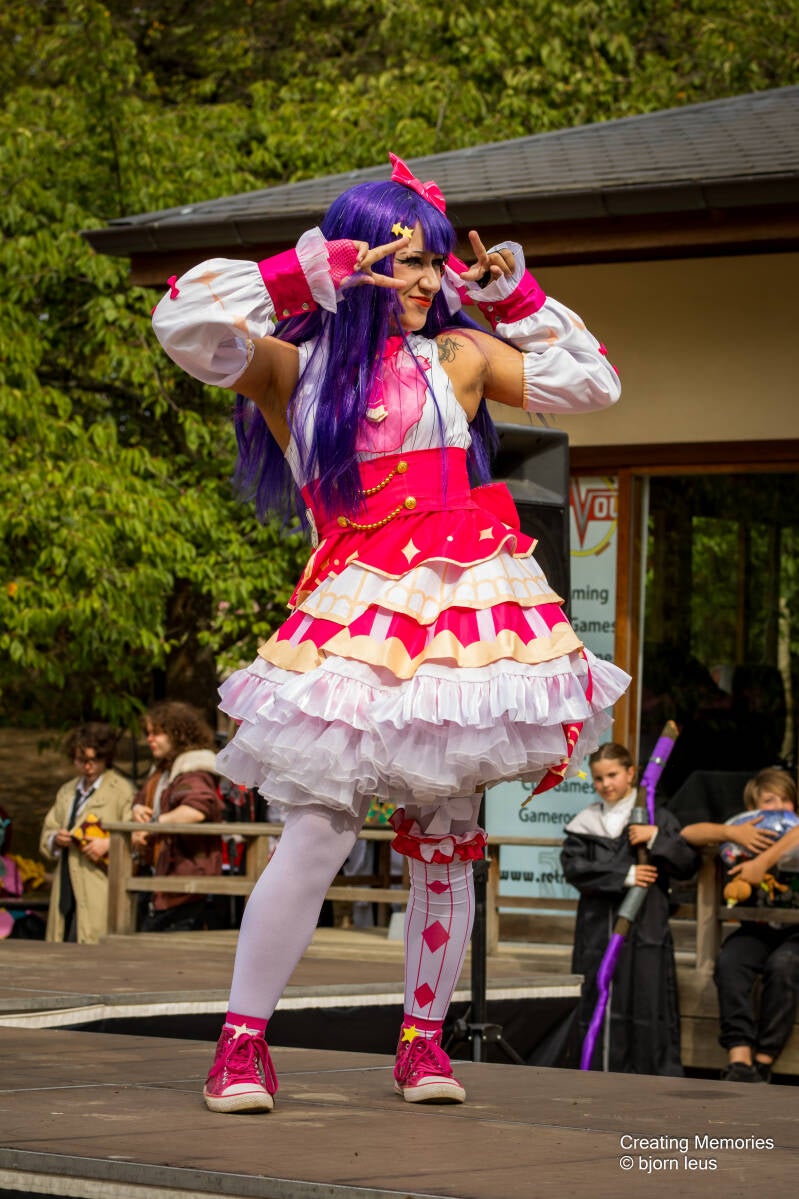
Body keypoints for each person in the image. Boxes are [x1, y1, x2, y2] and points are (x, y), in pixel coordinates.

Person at [152, 152, 630, 1113]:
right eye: (406, 259)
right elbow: (182, 323)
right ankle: (241, 1045)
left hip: (460, 612)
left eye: (433, 261)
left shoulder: (460, 355)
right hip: (354, 618)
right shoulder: (292, 365)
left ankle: (422, 1043)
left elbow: (594, 385)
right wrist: (305, 272)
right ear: (357, 257)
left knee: (448, 833)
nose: (424, 279)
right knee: (318, 830)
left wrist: (513, 296)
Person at [560, 741, 700, 1075]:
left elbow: (687, 863)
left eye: (613, 775)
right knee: (599, 997)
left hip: (646, 927)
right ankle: (597, 1072)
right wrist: (626, 875)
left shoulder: (656, 817)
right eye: (598, 778)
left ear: (631, 773)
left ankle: (649, 1078)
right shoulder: (586, 824)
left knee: (647, 1000)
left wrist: (656, 838)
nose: (606, 784)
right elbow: (574, 868)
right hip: (598, 929)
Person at [702, 768, 799, 1082]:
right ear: (753, 809)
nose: (780, 807)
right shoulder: (746, 833)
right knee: (730, 962)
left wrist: (761, 863)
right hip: (757, 928)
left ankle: (763, 1060)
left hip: (795, 934)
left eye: (786, 800)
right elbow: (690, 834)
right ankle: (740, 1058)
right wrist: (732, 833)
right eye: (770, 801)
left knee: (784, 967)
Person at [132, 701, 224, 932]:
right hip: (162, 876)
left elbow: (196, 810)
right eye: (148, 733)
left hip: (185, 877)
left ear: (177, 733)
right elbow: (141, 800)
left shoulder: (193, 769)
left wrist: (153, 826)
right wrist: (137, 809)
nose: (150, 739)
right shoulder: (162, 769)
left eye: (157, 733)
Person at [39, 724, 134, 943]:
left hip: (99, 884)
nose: (87, 766)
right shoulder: (67, 791)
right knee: (60, 943)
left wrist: (108, 844)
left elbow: (136, 837)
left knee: (92, 944)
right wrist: (56, 839)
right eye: (81, 760)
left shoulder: (122, 791)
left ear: (106, 757)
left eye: (94, 760)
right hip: (65, 883)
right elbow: (47, 833)